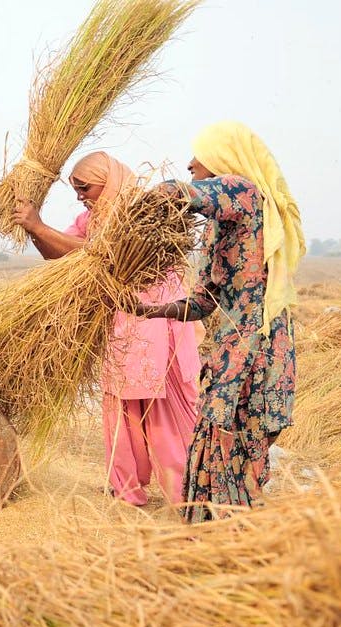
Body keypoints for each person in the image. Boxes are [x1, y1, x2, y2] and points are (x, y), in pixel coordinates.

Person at [13, 151, 202, 506]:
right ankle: (127, 486)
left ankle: (186, 489)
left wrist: (40, 226)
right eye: (77, 189)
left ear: (108, 180)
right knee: (121, 404)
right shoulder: (91, 217)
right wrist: (33, 230)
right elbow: (58, 254)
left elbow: (105, 253)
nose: (81, 195)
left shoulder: (141, 213)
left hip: (153, 319)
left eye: (86, 187)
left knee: (157, 404)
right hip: (122, 324)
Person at [135, 122, 302, 522]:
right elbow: (205, 300)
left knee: (241, 440)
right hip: (231, 344)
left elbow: (179, 192)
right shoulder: (221, 224)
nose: (192, 163)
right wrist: (152, 311)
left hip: (256, 344)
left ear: (224, 160)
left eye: (200, 157)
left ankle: (233, 536)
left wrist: (136, 208)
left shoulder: (244, 193)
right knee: (218, 438)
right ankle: (217, 537)